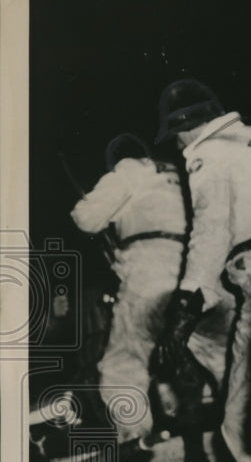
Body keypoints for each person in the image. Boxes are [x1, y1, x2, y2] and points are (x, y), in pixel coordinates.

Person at [153, 79, 251, 462]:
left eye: (176, 138)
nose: (179, 147)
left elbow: (212, 230)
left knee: (245, 386)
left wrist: (186, 307)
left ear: (184, 128)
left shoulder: (208, 152)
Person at [71, 134, 187, 445]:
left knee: (123, 361)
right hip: (195, 269)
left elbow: (86, 218)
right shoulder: (177, 173)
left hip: (152, 271)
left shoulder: (130, 170)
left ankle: (135, 435)